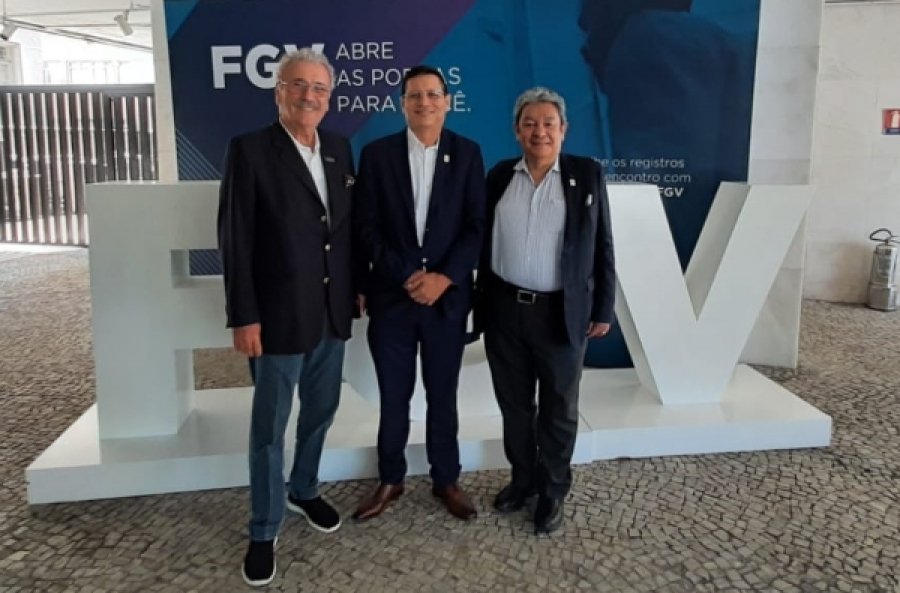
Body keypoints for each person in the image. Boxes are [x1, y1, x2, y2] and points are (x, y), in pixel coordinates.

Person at [217, 48, 357, 587]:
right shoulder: (250, 150)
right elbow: (235, 239)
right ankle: (263, 526)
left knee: (321, 411)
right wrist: (243, 316)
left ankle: (304, 489)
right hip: (275, 317)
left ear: (329, 97)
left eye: (319, 88)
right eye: (297, 85)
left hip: (331, 312)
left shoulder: (339, 149)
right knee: (269, 429)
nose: (308, 96)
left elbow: (343, 231)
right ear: (279, 91)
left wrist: (354, 290)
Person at [474, 87, 615, 535]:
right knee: (515, 406)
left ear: (563, 130)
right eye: (530, 124)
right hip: (504, 311)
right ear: (517, 131)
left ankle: (553, 488)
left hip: (561, 312)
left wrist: (603, 306)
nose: (540, 132)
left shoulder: (586, 175)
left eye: (549, 124)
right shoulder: (499, 176)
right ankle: (523, 480)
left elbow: (603, 245)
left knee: (558, 406)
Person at [352, 65, 486, 522]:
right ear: (403, 104)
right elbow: (366, 227)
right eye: (415, 95)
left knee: (442, 394)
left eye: (432, 95)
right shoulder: (376, 155)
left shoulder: (467, 154)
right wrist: (408, 274)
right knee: (394, 396)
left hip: (446, 301)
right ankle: (390, 479)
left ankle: (445, 478)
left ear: (447, 101)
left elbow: (476, 226)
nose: (424, 103)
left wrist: (444, 277)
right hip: (393, 298)